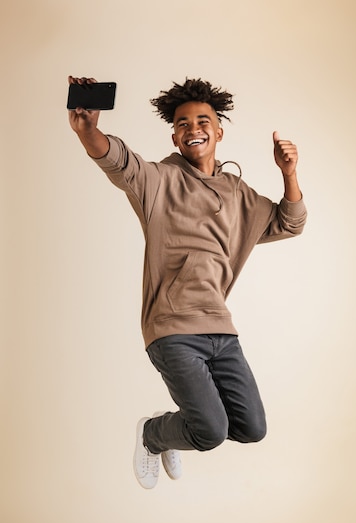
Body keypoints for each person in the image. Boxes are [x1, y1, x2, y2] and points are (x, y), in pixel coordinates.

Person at [68, 75, 307, 489]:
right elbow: (119, 161)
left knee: (251, 428)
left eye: (202, 121)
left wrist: (289, 173)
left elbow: (290, 222)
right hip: (172, 327)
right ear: (175, 137)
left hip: (221, 328)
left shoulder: (237, 193)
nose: (192, 128)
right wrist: (89, 129)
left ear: (218, 131)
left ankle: (178, 428)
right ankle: (153, 435)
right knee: (210, 432)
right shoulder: (159, 180)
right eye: (182, 123)